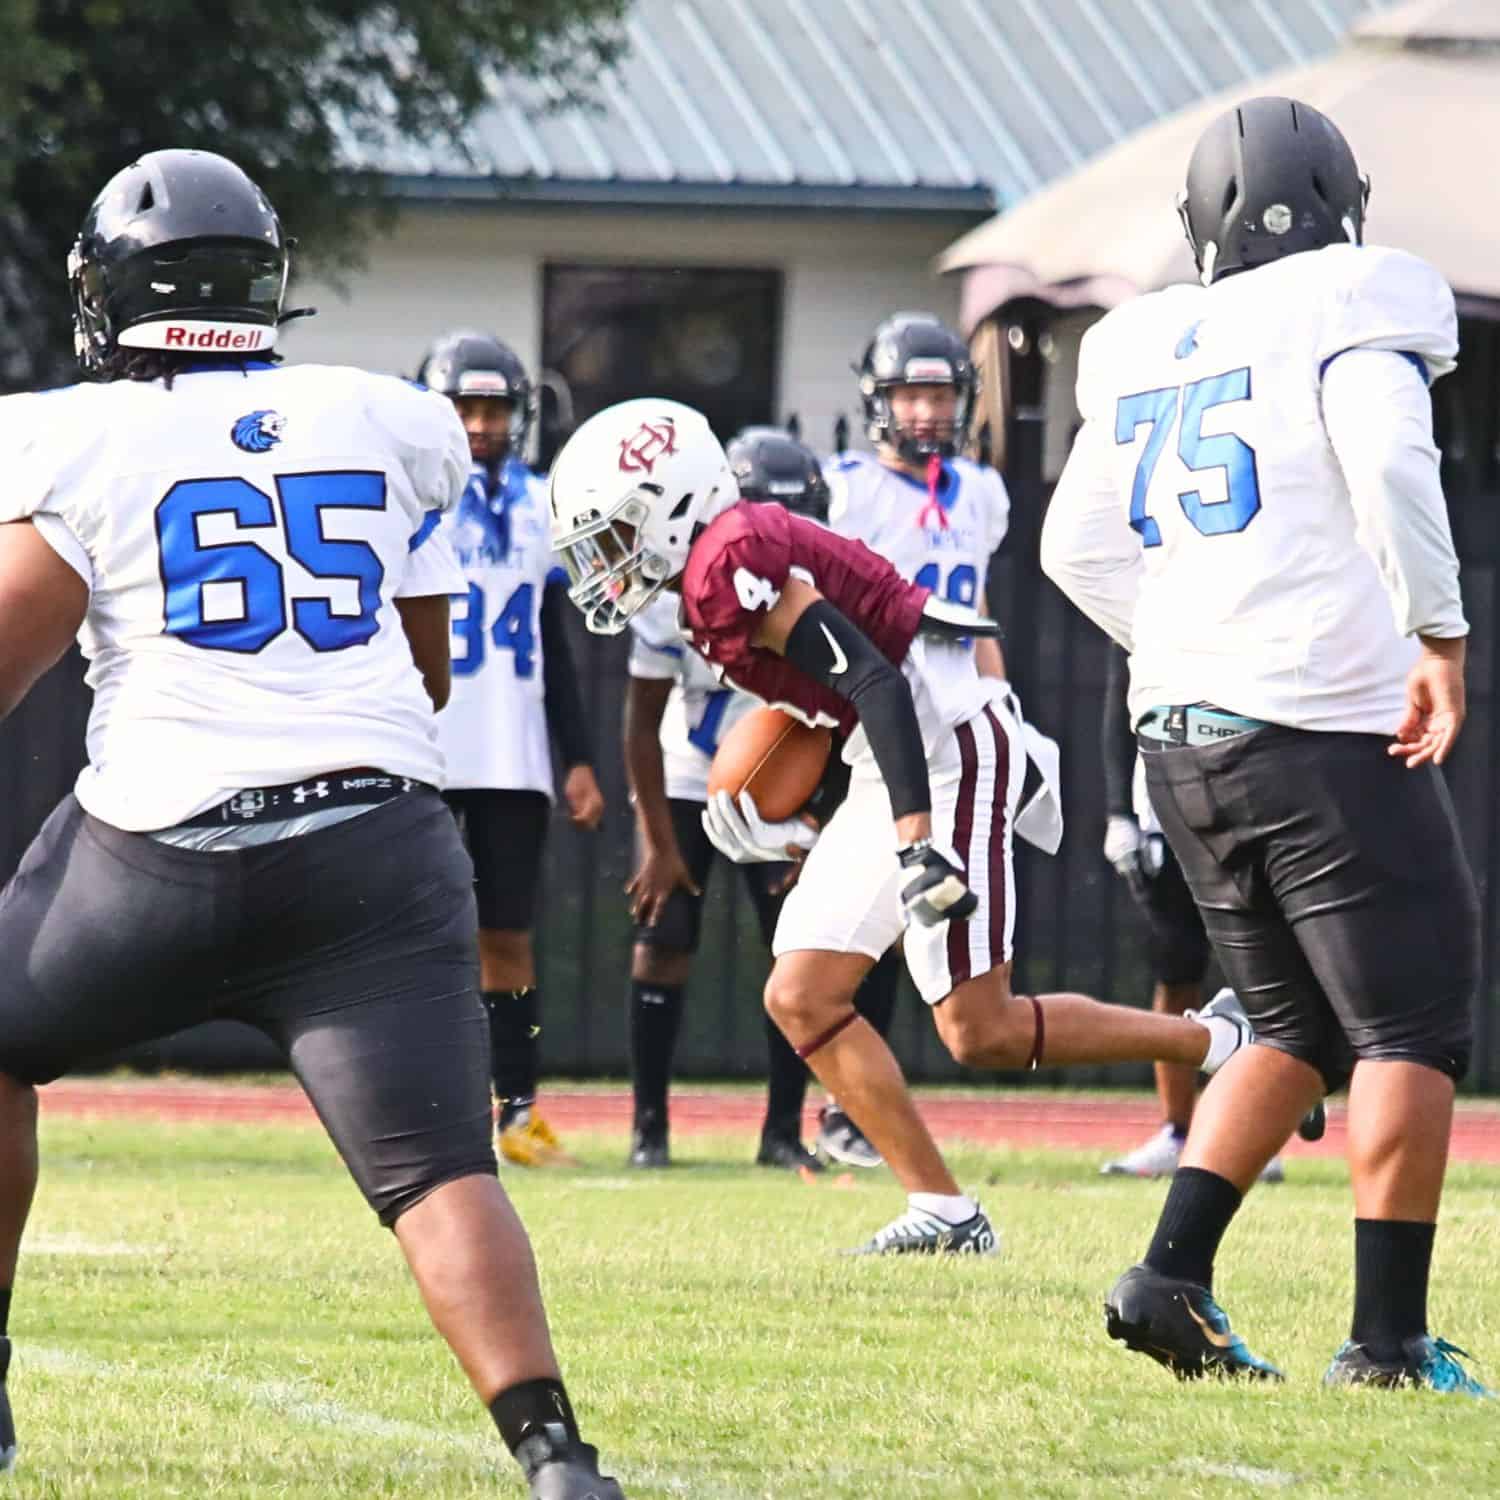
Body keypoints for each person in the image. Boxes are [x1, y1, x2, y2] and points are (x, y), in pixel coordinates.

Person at [0, 149, 624, 1493]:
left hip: (156, 854)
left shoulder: (69, 433)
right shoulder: (382, 418)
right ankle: (557, 1457)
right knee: (444, 1174)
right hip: (377, 851)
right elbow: (431, 670)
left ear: (111, 297)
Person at [549, 397, 1255, 1256]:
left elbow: (876, 683)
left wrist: (916, 841)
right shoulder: (713, 573)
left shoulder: (730, 559)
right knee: (799, 993)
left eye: (618, 534)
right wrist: (792, 823)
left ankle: (1217, 1036)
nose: (607, 562)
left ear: (672, 504)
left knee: (978, 1028)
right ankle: (945, 1212)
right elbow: (828, 706)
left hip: (948, 741)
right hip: (894, 754)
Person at [1041, 97, 1488, 1394]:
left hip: (1182, 733)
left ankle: (1169, 1279)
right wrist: (1440, 640)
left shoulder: (1144, 343)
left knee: (1287, 1022)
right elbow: (1395, 468)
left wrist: (1192, 635)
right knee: (1413, 1025)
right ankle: (1391, 1345)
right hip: (1316, 726)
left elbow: (1076, 548)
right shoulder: (1354, 306)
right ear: (1345, 206)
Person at [820, 310, 1013, 1170]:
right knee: (831, 929)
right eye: (913, 393)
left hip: (956, 735)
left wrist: (1004, 707)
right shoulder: (846, 488)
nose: (930, 412)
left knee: (918, 927)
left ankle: (854, 1117)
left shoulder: (982, 492)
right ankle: (825, 1111)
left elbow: (978, 622)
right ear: (879, 399)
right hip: (863, 728)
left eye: (941, 393)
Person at [416, 331, 605, 1169]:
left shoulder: (539, 503)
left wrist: (578, 757)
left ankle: (518, 1106)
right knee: (410, 933)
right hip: (421, 744)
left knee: (508, 935)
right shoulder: (410, 496)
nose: (482, 425)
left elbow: (554, 644)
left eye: (494, 410)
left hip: (511, 748)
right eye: (467, 409)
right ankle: (417, 1102)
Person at [620, 427, 828, 1171]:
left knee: (794, 953)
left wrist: (818, 818)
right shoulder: (677, 589)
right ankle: (648, 1128)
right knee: (662, 942)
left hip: (780, 778)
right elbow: (640, 723)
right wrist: (659, 841)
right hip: (686, 770)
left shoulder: (820, 591)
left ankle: (781, 1129)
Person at [1098, 643, 1290, 1182]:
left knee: (1259, 973)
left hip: (1246, 802)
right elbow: (1120, 706)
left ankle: (1254, 1128)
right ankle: (1177, 1129)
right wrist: (1118, 812)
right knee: (1175, 966)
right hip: (1164, 806)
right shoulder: (1144, 592)